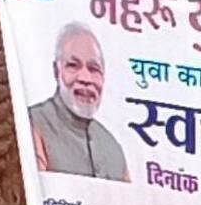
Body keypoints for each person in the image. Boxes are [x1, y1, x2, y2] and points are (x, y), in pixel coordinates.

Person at [29, 22, 129, 181]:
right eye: (73, 66)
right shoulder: (32, 124)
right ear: (56, 71)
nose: (85, 78)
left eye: (94, 69)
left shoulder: (112, 148)